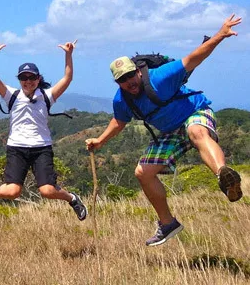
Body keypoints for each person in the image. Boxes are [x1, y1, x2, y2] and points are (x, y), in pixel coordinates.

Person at [85, 15, 243, 246]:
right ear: (117, 82)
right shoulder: (122, 100)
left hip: (194, 112)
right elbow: (119, 122)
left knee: (197, 133)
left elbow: (194, 58)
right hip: (170, 131)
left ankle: (224, 176)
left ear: (139, 71)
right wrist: (100, 141)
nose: (129, 82)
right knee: (143, 173)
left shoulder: (161, 77)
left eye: (131, 75)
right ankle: (168, 223)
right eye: (122, 80)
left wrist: (219, 35)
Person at [0, 38, 88, 220]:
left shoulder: (47, 96)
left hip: (41, 148)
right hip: (17, 147)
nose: (27, 81)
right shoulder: (11, 95)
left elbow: (67, 78)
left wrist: (68, 55)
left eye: (31, 77)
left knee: (48, 190)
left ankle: (72, 199)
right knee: (12, 191)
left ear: (38, 79)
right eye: (23, 77)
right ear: (19, 79)